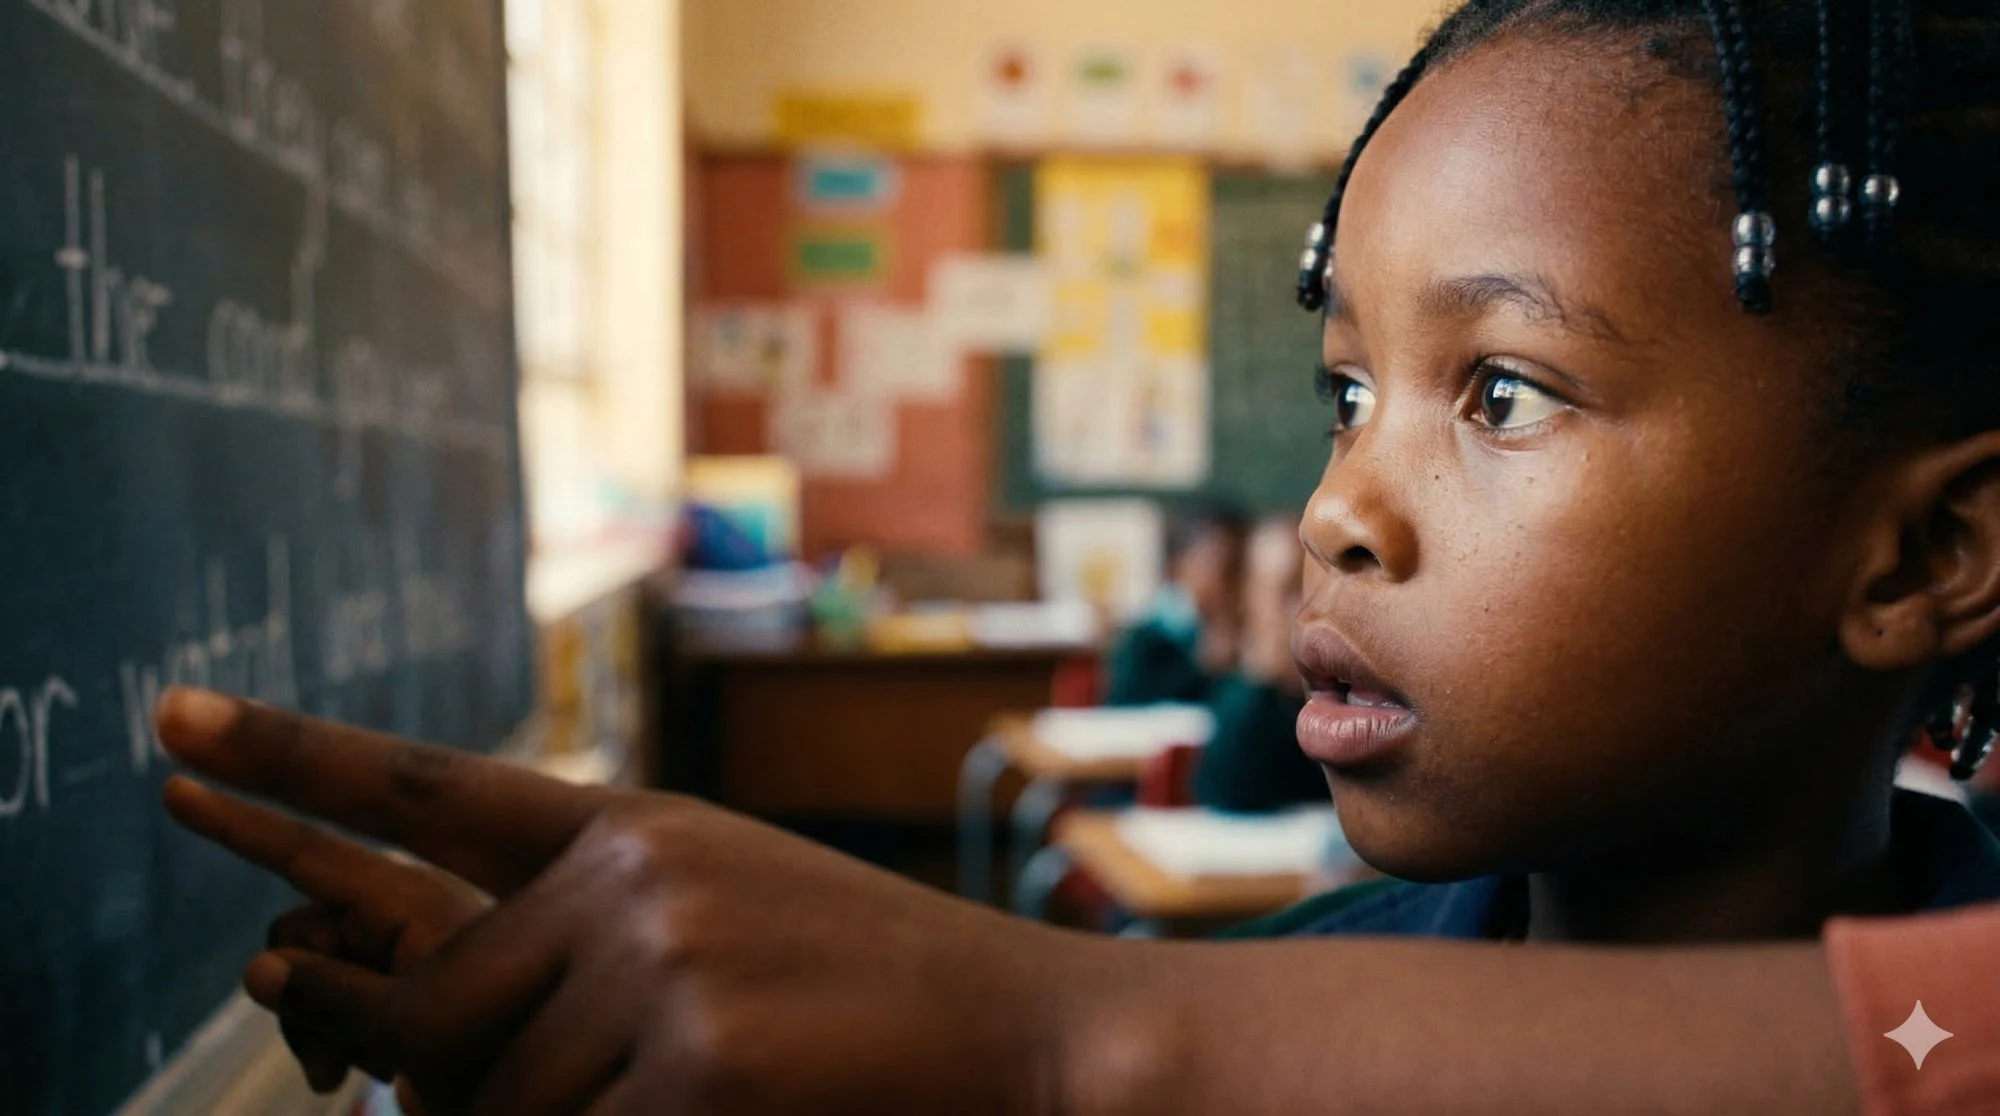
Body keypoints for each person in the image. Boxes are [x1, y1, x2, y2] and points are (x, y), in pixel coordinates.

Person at [156, 689, 1996, 1115]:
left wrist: (1072, 1023)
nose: (1341, 506)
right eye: (1347, 386)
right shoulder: (1313, 981)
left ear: (1922, 552)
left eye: (1501, 389)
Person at [1191, 514, 1330, 813]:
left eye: (1320, 585)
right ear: (1252, 599)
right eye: (1291, 588)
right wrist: (1261, 679)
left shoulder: (1352, 696)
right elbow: (1228, 798)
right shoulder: (1242, 701)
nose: (1311, 605)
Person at [1099, 505, 1246, 707]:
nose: (1236, 583)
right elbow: (1125, 709)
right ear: (1180, 564)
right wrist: (1207, 669)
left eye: (1245, 569)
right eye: (1226, 568)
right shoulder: (1145, 639)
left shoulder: (1241, 635)